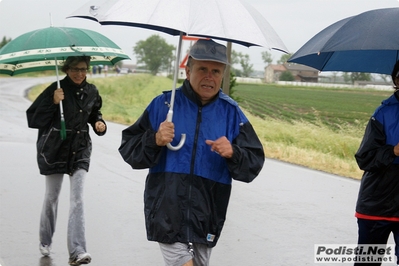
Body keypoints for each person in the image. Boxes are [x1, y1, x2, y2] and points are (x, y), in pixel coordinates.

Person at [118, 39, 265, 266]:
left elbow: (253, 164)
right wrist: (154, 139)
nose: (209, 76)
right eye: (202, 69)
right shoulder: (163, 105)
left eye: (216, 71)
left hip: (208, 209)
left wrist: (233, 153)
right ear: (188, 71)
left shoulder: (232, 113)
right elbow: (129, 149)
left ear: (223, 75)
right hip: (166, 205)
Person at [26, 56, 107, 266]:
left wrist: (99, 123)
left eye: (83, 69)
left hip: (79, 149)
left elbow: (94, 113)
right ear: (66, 69)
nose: (79, 73)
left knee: (77, 199)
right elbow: (33, 119)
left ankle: (77, 251)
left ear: (88, 69)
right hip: (55, 149)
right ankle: (45, 240)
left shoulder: (92, 91)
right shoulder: (56, 89)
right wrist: (52, 102)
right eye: (74, 69)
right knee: (52, 197)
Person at [354, 60, 399, 266]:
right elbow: (365, 157)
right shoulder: (382, 114)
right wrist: (393, 151)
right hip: (377, 205)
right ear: (396, 80)